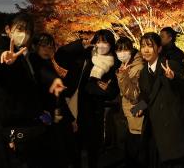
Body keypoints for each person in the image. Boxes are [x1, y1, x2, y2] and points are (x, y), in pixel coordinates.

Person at [0, 13, 61, 168]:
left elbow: (31, 85)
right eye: (20, 29)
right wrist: (2, 56)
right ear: (8, 29)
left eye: (28, 31)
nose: (24, 34)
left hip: (21, 126)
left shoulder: (23, 54)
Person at [54, 29, 120, 168]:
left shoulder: (114, 64)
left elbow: (114, 91)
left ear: (111, 44)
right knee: (73, 146)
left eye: (106, 42)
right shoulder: (83, 56)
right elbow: (59, 56)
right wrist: (80, 45)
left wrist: (105, 90)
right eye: (99, 41)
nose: (102, 45)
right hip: (74, 106)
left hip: (94, 111)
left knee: (92, 149)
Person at [136, 32, 184, 168]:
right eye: (143, 46)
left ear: (159, 49)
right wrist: (138, 108)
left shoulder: (169, 65)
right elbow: (146, 96)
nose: (146, 50)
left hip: (172, 128)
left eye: (150, 46)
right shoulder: (144, 72)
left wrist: (174, 78)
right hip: (153, 129)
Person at [31, 33, 76, 168]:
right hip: (44, 117)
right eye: (43, 46)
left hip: (57, 116)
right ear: (35, 47)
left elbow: (60, 96)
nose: (47, 50)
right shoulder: (33, 64)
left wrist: (71, 118)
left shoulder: (50, 64)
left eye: (50, 47)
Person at [115, 37, 146, 167]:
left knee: (135, 148)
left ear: (131, 49)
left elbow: (134, 95)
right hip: (130, 111)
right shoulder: (126, 65)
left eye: (125, 49)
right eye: (119, 50)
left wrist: (122, 76)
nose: (122, 53)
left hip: (135, 111)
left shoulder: (136, 68)